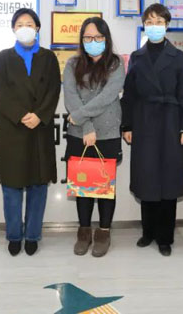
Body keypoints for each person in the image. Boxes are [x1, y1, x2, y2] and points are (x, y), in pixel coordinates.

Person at [121, 3, 183, 257]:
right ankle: (148, 231)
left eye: (159, 22)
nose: (154, 26)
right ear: (144, 25)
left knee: (168, 180)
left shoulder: (179, 56)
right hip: (143, 122)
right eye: (150, 22)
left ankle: (165, 237)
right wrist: (127, 125)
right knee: (147, 178)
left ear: (167, 25)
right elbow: (129, 94)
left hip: (171, 123)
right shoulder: (137, 56)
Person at [0, 8, 61, 256]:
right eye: (20, 24)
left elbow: (53, 90)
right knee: (11, 187)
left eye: (29, 23)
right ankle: (14, 235)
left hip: (40, 129)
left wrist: (39, 115)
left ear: (37, 28)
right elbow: (0, 92)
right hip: (13, 130)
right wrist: (21, 115)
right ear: (13, 28)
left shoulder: (49, 58)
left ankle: (32, 235)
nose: (25, 28)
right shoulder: (3, 58)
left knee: (38, 186)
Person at [63, 17, 125, 258]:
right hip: (79, 133)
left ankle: (104, 232)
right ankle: (84, 232)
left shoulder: (116, 64)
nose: (93, 41)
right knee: (83, 185)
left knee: (105, 186)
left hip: (108, 133)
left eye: (98, 37)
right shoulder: (72, 64)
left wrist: (80, 116)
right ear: (82, 40)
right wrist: (86, 125)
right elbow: (70, 97)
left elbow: (107, 97)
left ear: (106, 39)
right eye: (88, 37)